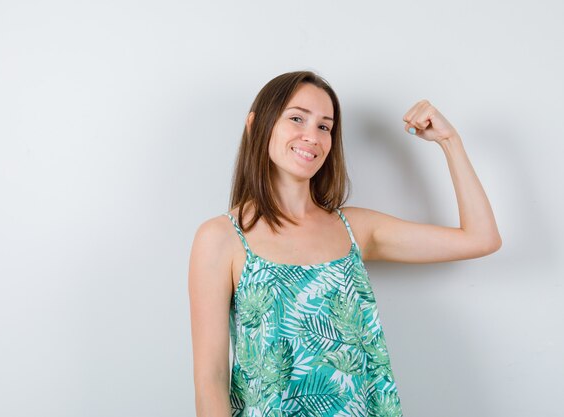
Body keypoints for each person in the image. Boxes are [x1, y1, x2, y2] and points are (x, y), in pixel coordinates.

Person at [187, 71, 502, 417]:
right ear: (255, 125)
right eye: (297, 118)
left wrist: (450, 141)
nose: (312, 136)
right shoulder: (221, 238)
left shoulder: (355, 228)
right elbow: (210, 380)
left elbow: (481, 238)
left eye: (325, 126)